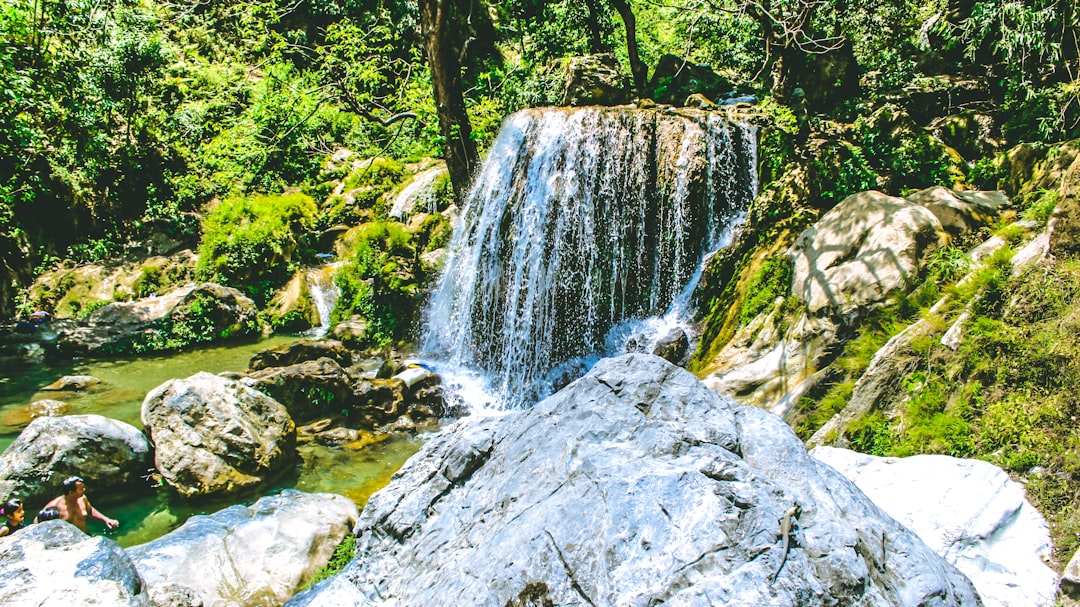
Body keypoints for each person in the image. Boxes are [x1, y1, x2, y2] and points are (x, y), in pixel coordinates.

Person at [40, 476, 118, 533]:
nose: (84, 490)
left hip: (86, 536)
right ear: (71, 493)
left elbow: (90, 510)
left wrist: (106, 519)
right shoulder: (54, 506)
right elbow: (37, 523)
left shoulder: (82, 498)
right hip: (69, 543)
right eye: (81, 489)